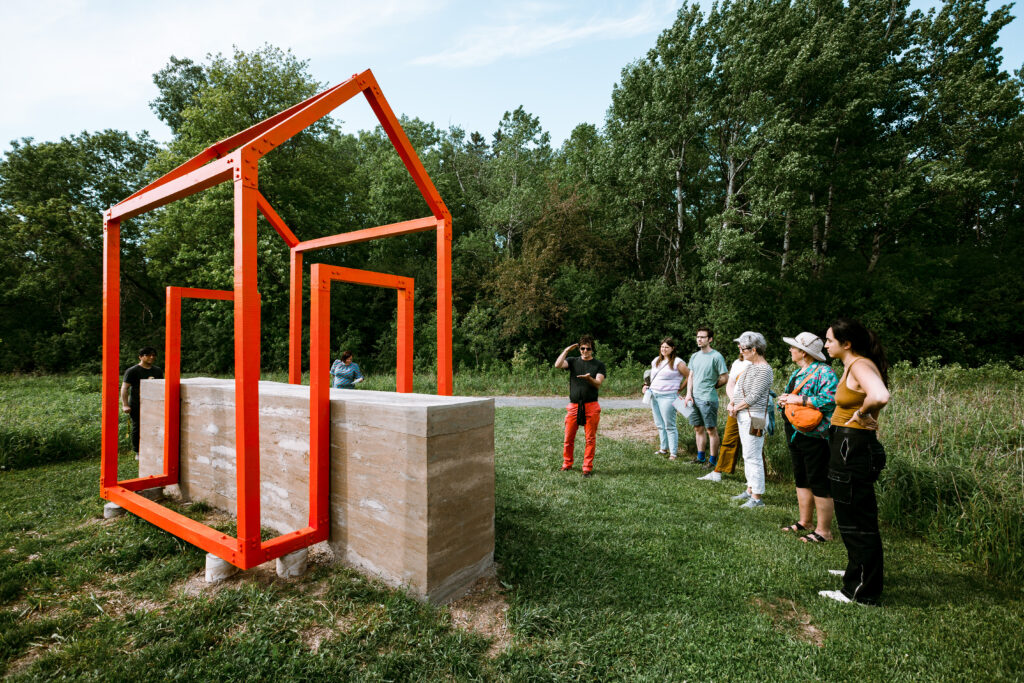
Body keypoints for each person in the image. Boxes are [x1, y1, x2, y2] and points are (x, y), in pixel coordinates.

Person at [819, 318, 890, 605]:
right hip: (848, 443)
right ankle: (858, 570)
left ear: (846, 344)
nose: (825, 345)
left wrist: (861, 414)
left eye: (829, 340)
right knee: (853, 514)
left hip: (853, 445)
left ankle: (860, 590)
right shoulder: (854, 364)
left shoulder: (859, 364)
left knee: (856, 519)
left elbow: (881, 396)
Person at [776, 332, 839, 543]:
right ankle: (805, 522)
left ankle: (824, 531)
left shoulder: (825, 372)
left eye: (794, 347)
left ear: (803, 352)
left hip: (816, 434)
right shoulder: (797, 373)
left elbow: (830, 400)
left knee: (819, 479)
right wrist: (783, 401)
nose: (790, 350)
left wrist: (799, 399)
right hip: (795, 431)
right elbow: (790, 397)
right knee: (801, 477)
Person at [726, 332, 773, 509]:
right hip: (745, 415)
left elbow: (754, 396)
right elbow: (739, 390)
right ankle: (750, 488)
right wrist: (732, 403)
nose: (740, 351)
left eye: (743, 348)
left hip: (756, 417)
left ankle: (757, 497)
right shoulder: (751, 366)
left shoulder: (764, 369)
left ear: (754, 349)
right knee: (748, 454)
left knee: (754, 456)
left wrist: (735, 407)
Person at [555, 335, 606, 477]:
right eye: (582, 348)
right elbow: (557, 365)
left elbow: (598, 383)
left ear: (592, 349)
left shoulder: (598, 365)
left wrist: (589, 378)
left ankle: (587, 468)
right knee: (568, 438)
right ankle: (567, 464)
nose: (585, 351)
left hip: (591, 406)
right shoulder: (572, 361)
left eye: (588, 348)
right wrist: (566, 350)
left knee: (590, 439)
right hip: (574, 406)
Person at [697, 351, 748, 482]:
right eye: (739, 344)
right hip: (734, 408)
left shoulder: (759, 366)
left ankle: (757, 478)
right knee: (729, 439)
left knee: (753, 443)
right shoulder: (738, 363)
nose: (739, 347)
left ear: (754, 348)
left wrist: (737, 405)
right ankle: (718, 471)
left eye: (743, 345)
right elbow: (730, 384)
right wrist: (732, 401)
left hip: (752, 410)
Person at [683, 327, 728, 467]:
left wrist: (713, 386)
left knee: (711, 429)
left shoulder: (716, 356)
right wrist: (688, 394)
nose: (699, 339)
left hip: (708, 399)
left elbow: (725, 377)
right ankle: (700, 457)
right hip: (694, 398)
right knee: (698, 428)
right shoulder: (695, 356)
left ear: (710, 339)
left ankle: (713, 460)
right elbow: (691, 376)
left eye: (702, 337)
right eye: (698, 337)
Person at [642, 338, 689, 460]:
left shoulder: (678, 362)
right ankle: (663, 448)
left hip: (668, 396)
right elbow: (651, 377)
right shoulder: (656, 361)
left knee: (670, 425)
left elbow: (689, 376)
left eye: (667, 347)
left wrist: (680, 389)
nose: (664, 349)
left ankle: (673, 453)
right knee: (659, 424)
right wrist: (645, 386)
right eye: (662, 347)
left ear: (672, 348)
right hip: (654, 395)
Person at [120, 346, 164, 453]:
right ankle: (137, 451)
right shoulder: (132, 371)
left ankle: (153, 448)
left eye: (153, 355)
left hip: (153, 404)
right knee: (138, 427)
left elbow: (162, 386)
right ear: (140, 357)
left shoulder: (157, 370)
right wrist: (125, 405)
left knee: (155, 426)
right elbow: (125, 388)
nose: (151, 357)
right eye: (148, 355)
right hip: (137, 404)